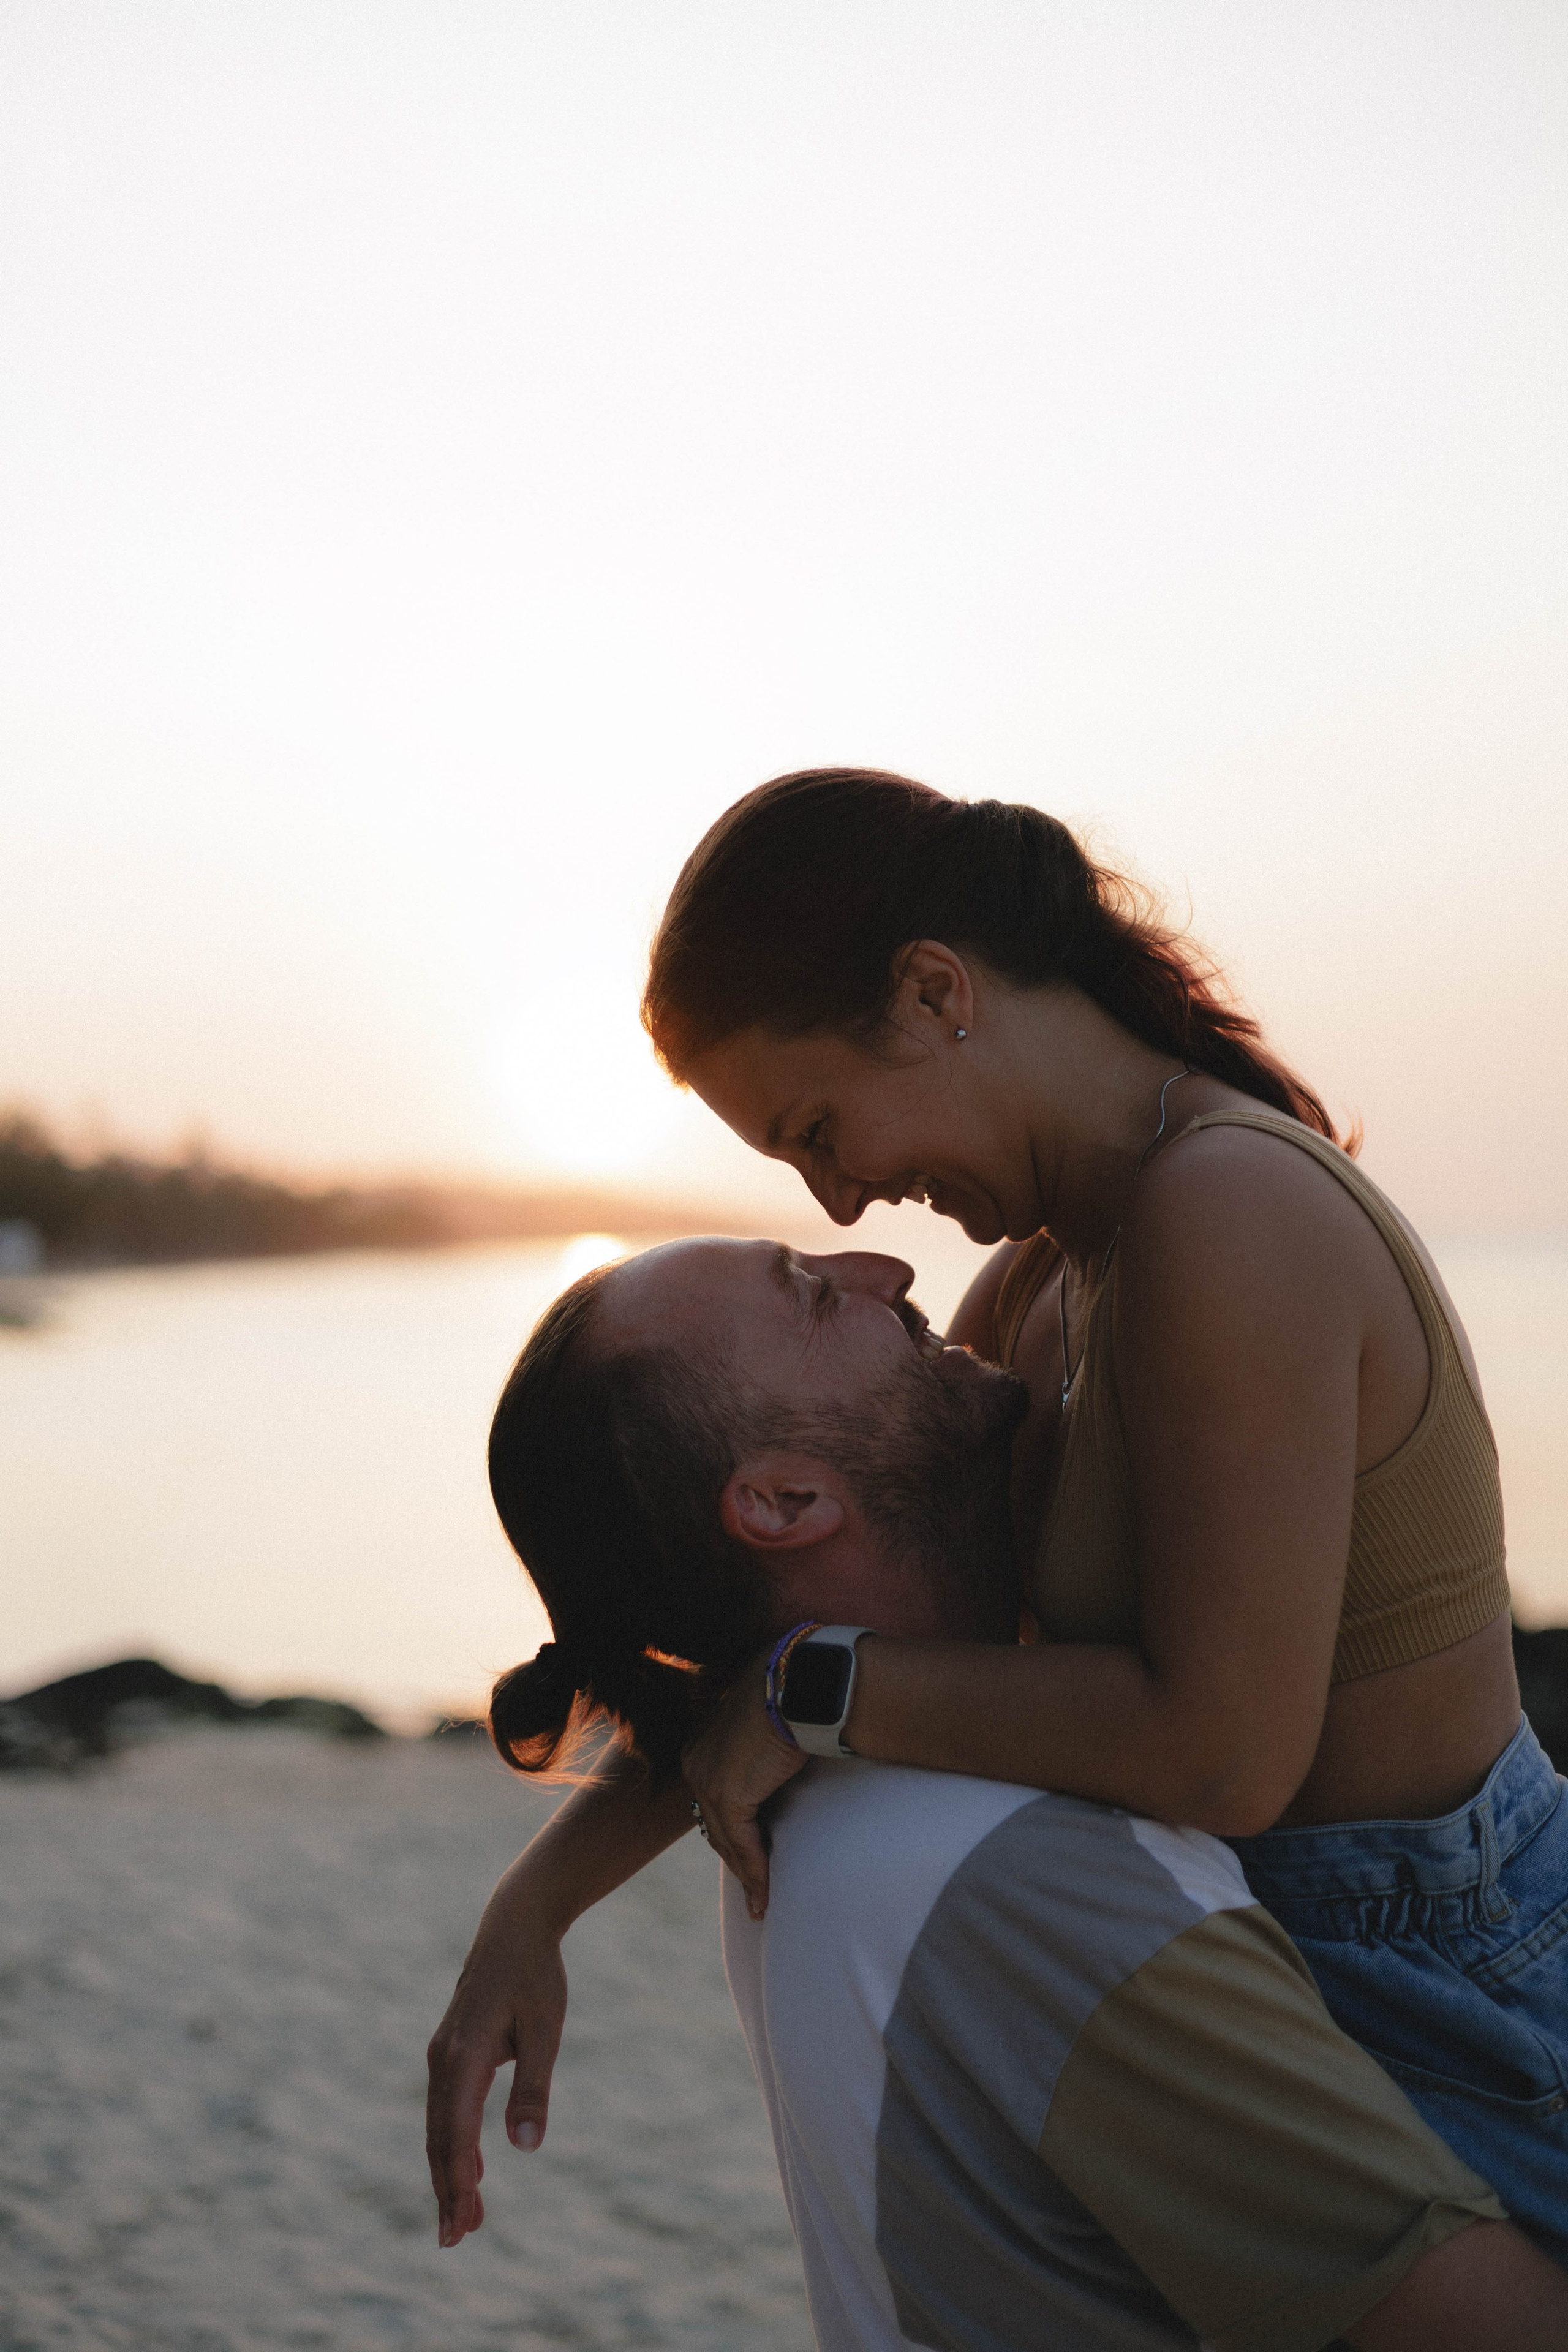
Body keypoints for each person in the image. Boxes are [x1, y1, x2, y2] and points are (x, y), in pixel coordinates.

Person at [641, 767, 1568, 2249]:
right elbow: (870, 1624)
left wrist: (818, 1693)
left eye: (820, 1127)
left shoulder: (1227, 1211)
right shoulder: (1036, 1284)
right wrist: (541, 1899)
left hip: (1456, 1987)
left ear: (936, 991)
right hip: (1242, 1956)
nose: (837, 1205)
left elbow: (1217, 1754)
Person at [426, 1235, 1568, 2349]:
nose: (888, 1266)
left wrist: (533, 1901)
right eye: (814, 1296)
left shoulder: (805, 1778)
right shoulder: (1037, 1878)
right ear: (779, 1500)